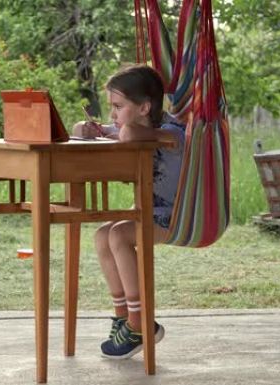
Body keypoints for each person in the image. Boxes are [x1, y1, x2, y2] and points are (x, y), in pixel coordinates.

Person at [73, 65, 185, 359]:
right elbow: (122, 130)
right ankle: (124, 317)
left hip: (176, 219)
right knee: (102, 235)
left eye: (118, 107)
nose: (112, 115)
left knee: (120, 235)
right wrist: (87, 129)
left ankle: (140, 323)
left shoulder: (173, 133)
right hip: (148, 214)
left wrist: (119, 130)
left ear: (145, 107)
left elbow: (132, 133)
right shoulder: (140, 129)